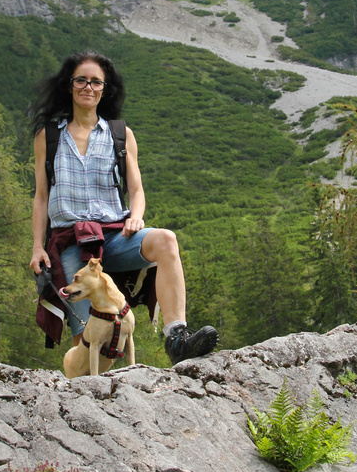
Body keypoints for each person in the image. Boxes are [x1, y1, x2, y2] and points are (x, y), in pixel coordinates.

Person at [29, 50, 218, 365]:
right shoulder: (48, 137)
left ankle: (177, 338)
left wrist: (136, 216)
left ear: (105, 89)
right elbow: (41, 197)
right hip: (69, 242)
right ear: (69, 85)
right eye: (81, 80)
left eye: (96, 82)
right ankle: (84, 381)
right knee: (91, 342)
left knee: (166, 240)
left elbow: (136, 190)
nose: (88, 87)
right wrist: (38, 247)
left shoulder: (121, 135)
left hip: (115, 236)